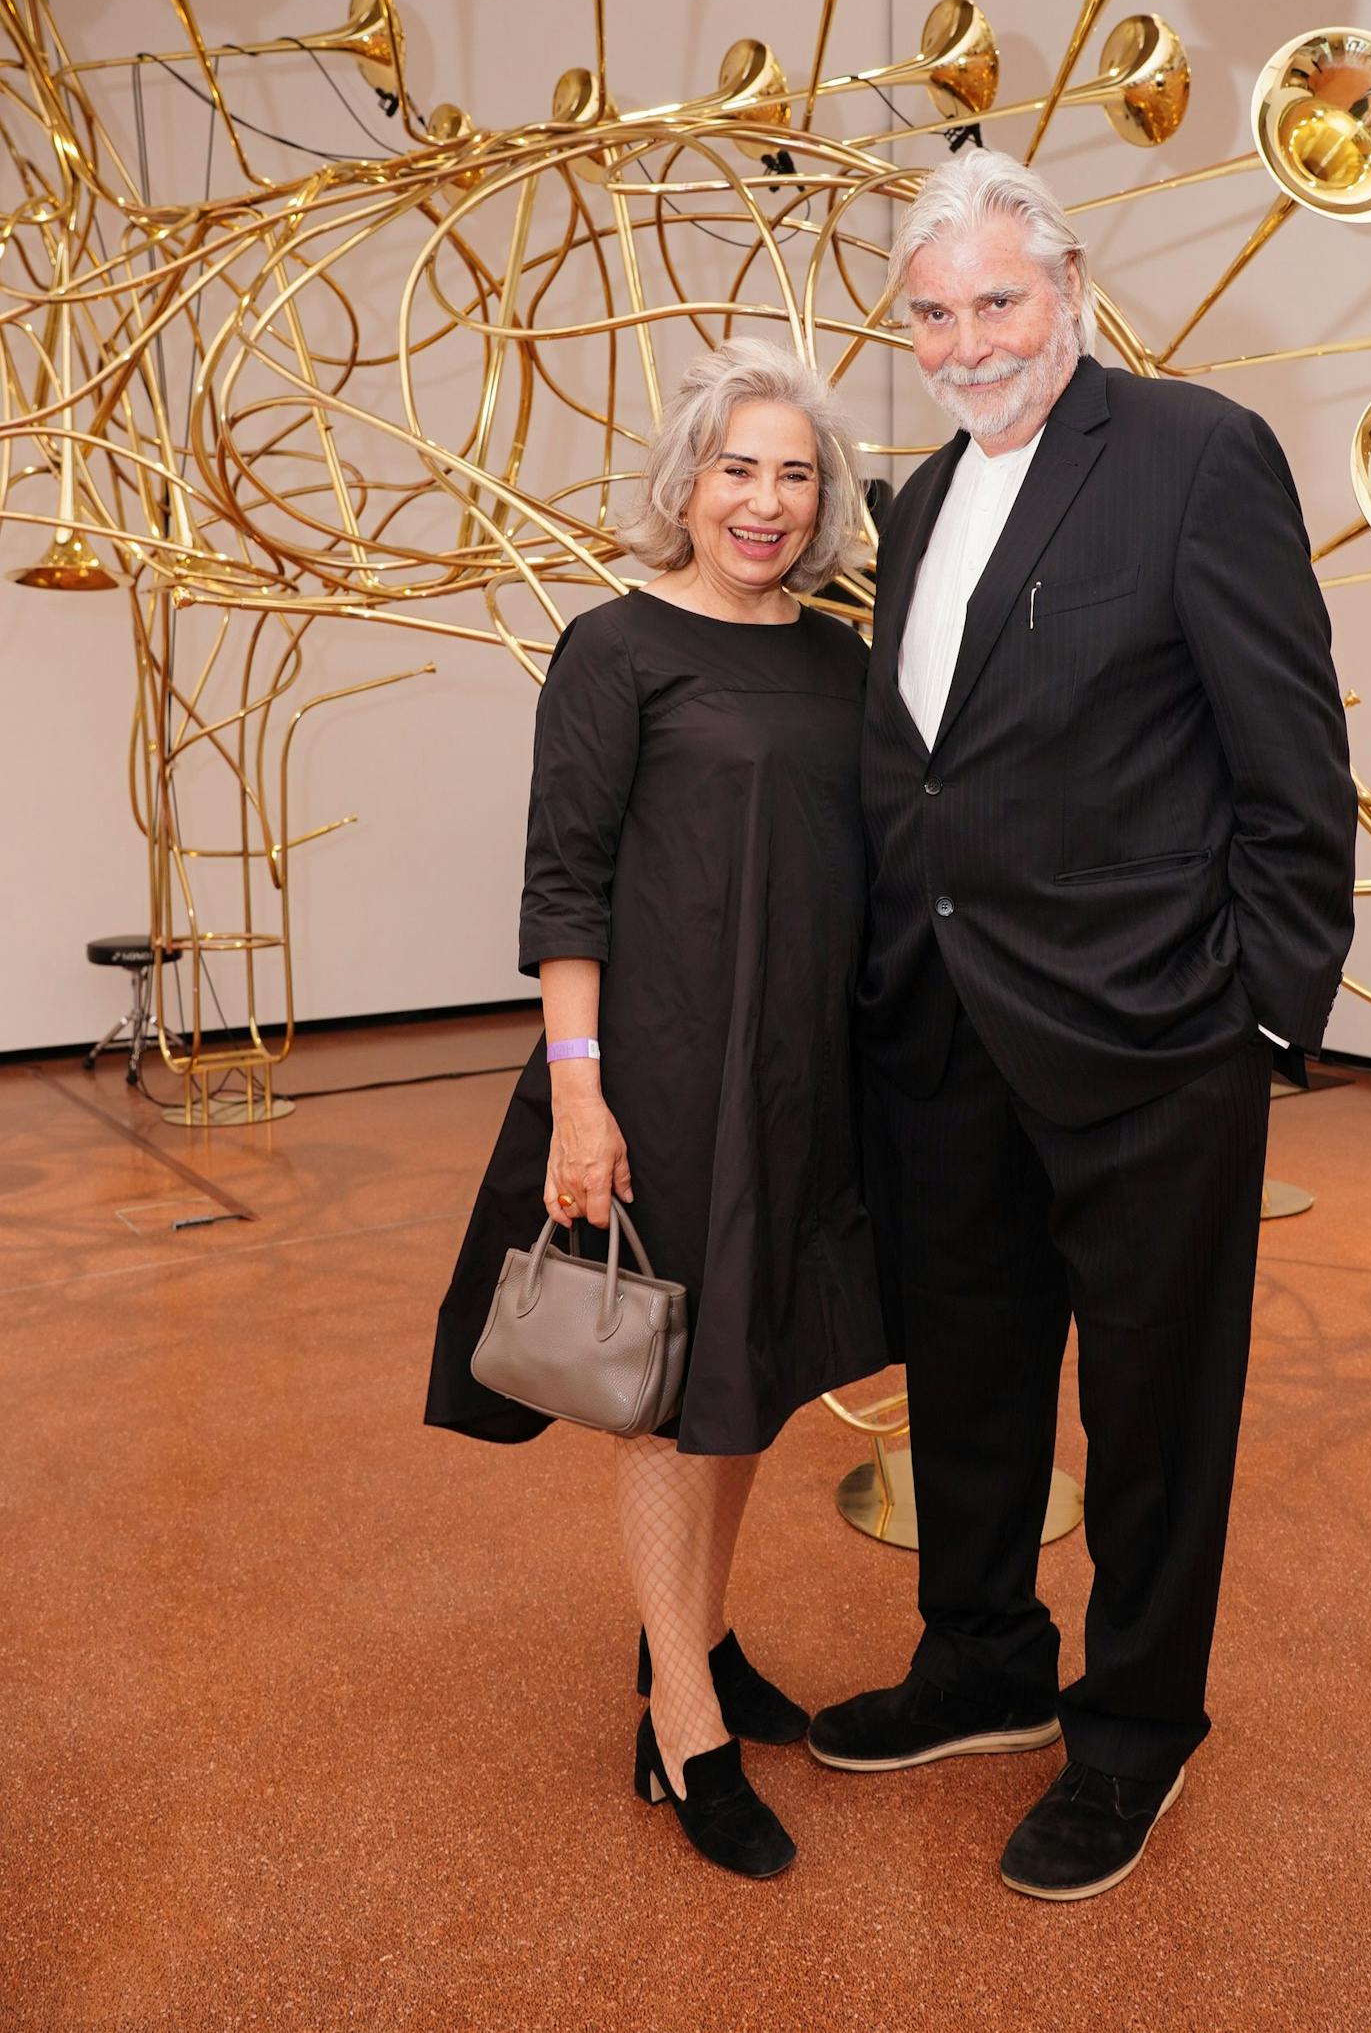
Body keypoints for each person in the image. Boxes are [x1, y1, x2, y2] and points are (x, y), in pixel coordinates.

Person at [807, 149, 1358, 1902]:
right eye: (936, 313)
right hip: (949, 1034)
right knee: (966, 1375)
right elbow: (928, 767)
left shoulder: (1196, 456)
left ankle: (1134, 1734)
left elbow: (1294, 766)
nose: (969, 343)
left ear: (1070, 293)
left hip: (1153, 1042)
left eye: (1000, 302)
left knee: (1152, 1404)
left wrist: (1261, 1023)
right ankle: (980, 1657)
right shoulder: (911, 503)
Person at [426, 337, 887, 1881]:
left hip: (804, 1071)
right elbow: (564, 883)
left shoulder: (839, 656)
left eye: (796, 473)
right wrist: (579, 1097)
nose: (765, 500)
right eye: (738, 467)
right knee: (667, 1384)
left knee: (747, 1364)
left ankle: (699, 1632)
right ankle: (679, 1726)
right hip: (664, 1072)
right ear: (686, 482)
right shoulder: (616, 647)